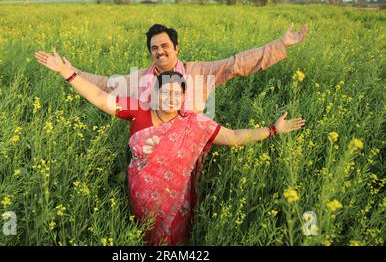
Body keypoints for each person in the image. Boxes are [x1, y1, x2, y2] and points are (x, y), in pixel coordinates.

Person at [39, 52, 306, 246]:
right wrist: (67, 73)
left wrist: (273, 129)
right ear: (154, 94)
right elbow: (100, 98)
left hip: (176, 206)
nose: (170, 97)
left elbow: (234, 136)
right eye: (164, 92)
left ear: (183, 97)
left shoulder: (195, 123)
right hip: (140, 199)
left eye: (176, 93)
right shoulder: (138, 112)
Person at [35, 23, 308, 113]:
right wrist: (69, 70)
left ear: (177, 48)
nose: (160, 51)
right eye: (154, 48)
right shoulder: (141, 78)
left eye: (165, 45)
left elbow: (236, 64)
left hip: (190, 150)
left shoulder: (198, 72)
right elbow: (105, 85)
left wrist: (279, 45)